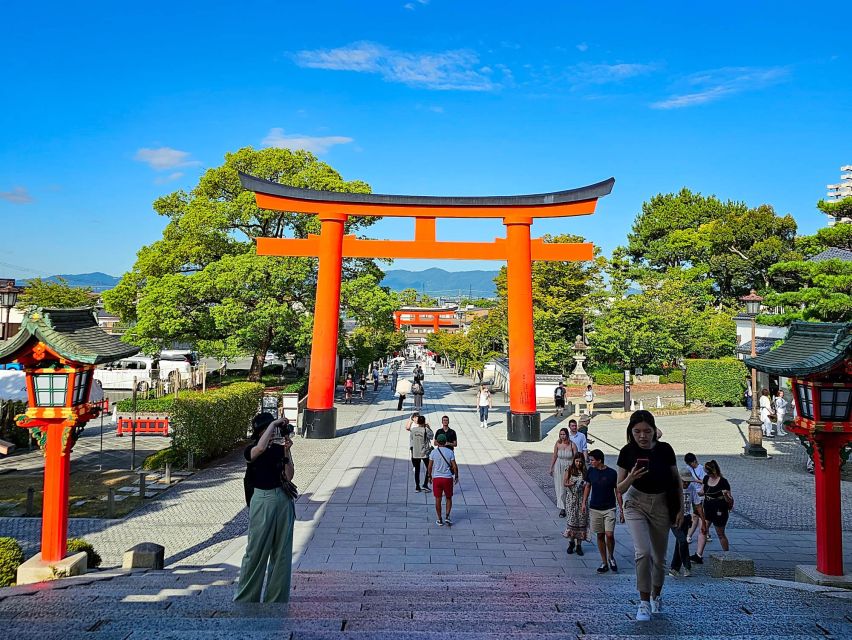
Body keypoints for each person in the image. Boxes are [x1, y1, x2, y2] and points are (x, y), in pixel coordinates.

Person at [616, 410, 681, 621]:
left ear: (654, 431)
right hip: (635, 502)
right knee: (642, 552)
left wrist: (680, 508)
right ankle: (643, 601)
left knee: (659, 558)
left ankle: (656, 595)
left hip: (662, 503)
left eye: (646, 431)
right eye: (637, 431)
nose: (642, 436)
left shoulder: (665, 450)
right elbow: (619, 488)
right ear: (630, 432)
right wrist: (632, 476)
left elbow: (676, 479)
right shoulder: (627, 452)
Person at [234, 412, 295, 603]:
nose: (275, 430)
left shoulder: (278, 450)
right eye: (271, 427)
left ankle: (276, 599)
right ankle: (246, 597)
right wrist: (274, 422)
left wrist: (287, 451)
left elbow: (289, 475)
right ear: (262, 431)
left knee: (282, 552)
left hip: (283, 499)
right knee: (256, 551)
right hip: (262, 498)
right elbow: (259, 449)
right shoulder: (251, 450)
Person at [583, 449, 623, 574]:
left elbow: (617, 491)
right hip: (595, 507)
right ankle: (604, 561)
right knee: (600, 535)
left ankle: (611, 556)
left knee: (609, 534)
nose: (591, 462)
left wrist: (621, 508)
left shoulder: (612, 473)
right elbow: (588, 486)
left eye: (592, 460)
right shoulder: (590, 471)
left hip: (609, 508)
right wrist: (584, 502)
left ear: (599, 460)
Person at [691, 460, 733, 565]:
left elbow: (730, 500)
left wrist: (726, 495)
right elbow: (702, 492)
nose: (707, 474)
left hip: (720, 509)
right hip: (708, 507)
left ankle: (727, 555)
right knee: (703, 530)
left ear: (713, 471)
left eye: (708, 472)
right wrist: (692, 491)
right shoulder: (706, 479)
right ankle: (698, 555)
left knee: (720, 533)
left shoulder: (723, 482)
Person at [669, 469, 699, 577]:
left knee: (679, 543)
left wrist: (702, 521)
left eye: (688, 481)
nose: (686, 483)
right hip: (673, 519)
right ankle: (687, 567)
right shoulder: (672, 488)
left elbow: (697, 504)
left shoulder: (691, 488)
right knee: (683, 541)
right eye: (684, 481)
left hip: (686, 518)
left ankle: (674, 568)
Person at [428, 432, 459, 526]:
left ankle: (439, 519)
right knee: (448, 498)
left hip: (437, 478)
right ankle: (447, 516)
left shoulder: (433, 452)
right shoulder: (450, 452)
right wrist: (456, 476)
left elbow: (429, 467)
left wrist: (429, 476)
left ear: (437, 442)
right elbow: (454, 466)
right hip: (447, 478)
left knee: (438, 499)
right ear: (445, 442)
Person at [563, 451, 589, 556]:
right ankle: (571, 542)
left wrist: (583, 486)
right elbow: (564, 482)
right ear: (574, 460)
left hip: (582, 499)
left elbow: (588, 485)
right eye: (577, 461)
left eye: (580, 462)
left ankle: (579, 545)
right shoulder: (569, 469)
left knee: (581, 522)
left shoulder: (584, 471)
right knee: (572, 521)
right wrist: (571, 483)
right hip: (571, 499)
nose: (578, 463)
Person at [549, 427, 576, 518]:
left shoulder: (572, 444)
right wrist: (551, 467)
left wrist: (575, 469)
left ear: (567, 435)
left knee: (568, 487)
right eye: (561, 434)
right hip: (559, 466)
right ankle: (562, 508)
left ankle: (571, 506)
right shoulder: (557, 443)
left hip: (569, 466)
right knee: (560, 487)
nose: (562, 436)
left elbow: (576, 457)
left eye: (564, 434)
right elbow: (554, 456)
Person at [683, 453, 709, 545]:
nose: (690, 465)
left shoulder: (701, 469)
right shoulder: (688, 468)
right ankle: (705, 532)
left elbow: (705, 481)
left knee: (696, 516)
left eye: (691, 463)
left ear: (695, 461)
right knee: (697, 516)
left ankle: (690, 535)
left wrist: (694, 480)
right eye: (688, 464)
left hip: (700, 495)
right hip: (692, 493)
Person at [410, 415, 433, 492]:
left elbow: (412, 439)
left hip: (416, 452)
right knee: (429, 468)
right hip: (424, 452)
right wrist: (428, 427)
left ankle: (417, 487)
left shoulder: (413, 430)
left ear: (418, 422)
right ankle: (425, 484)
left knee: (417, 470)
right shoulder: (426, 430)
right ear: (424, 422)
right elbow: (431, 436)